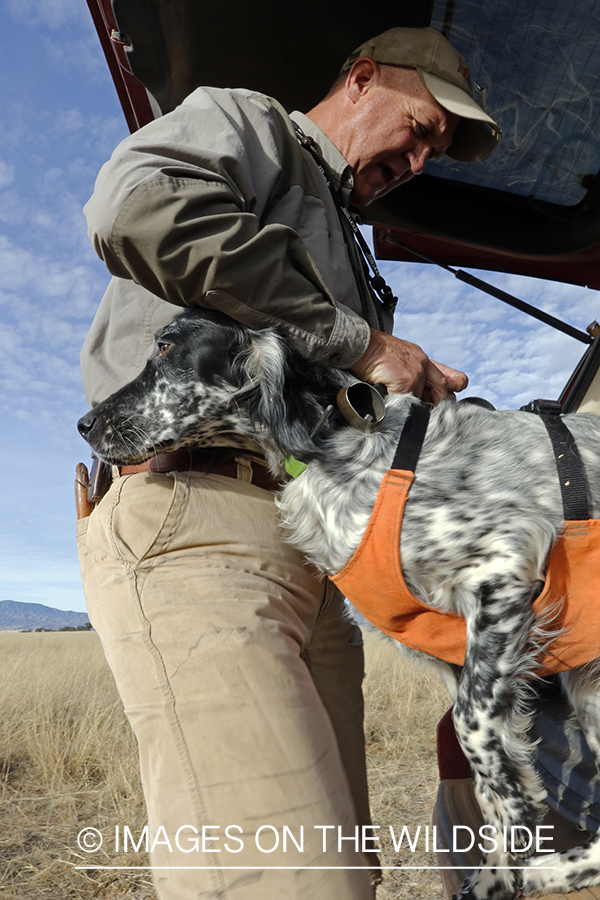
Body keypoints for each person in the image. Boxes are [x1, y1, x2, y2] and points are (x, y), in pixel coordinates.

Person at [77, 26, 500, 900]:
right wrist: (363, 342)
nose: (420, 160)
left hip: (307, 556)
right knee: (289, 882)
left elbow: (312, 391)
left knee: (348, 872)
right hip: (199, 522)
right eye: (419, 128)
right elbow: (139, 208)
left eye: (434, 151)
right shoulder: (250, 126)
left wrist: (407, 412)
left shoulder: (343, 238)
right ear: (360, 78)